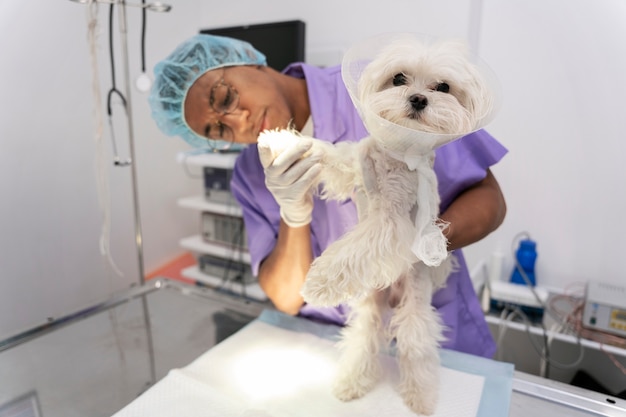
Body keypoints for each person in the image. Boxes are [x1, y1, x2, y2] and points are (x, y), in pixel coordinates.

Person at [149, 34, 507, 358]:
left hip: (435, 335)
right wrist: (294, 213)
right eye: (218, 129)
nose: (238, 122)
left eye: (226, 97)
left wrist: (423, 239)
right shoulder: (249, 173)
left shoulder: (384, 85)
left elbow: (490, 201)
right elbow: (288, 298)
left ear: (246, 59)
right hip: (328, 350)